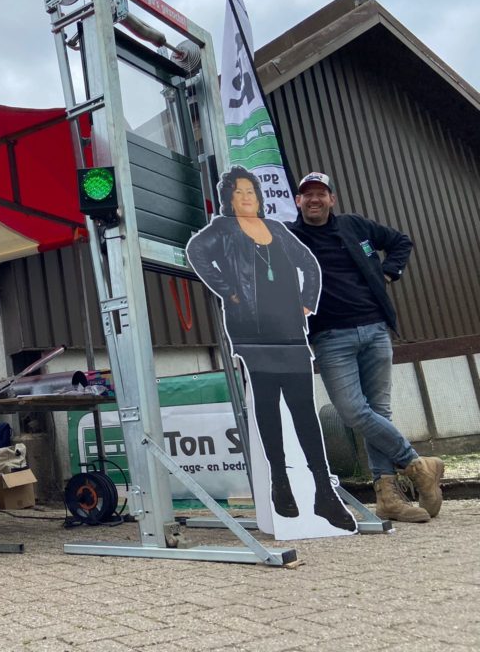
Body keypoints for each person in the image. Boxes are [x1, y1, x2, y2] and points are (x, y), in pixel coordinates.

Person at [187, 166, 355, 531]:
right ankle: (280, 483)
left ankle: (323, 492)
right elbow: (195, 252)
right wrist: (228, 290)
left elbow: (309, 265)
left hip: (290, 331)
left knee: (303, 410)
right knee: (266, 404)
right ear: (229, 198)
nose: (247, 197)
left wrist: (307, 301)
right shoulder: (222, 230)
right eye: (239, 192)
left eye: (251, 191)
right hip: (252, 332)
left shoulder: (277, 229)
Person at [289, 172, 443, 523]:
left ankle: (387, 498)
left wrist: (389, 273)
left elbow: (401, 241)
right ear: (298, 201)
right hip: (329, 337)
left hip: (375, 329)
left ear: (332, 199)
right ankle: (419, 466)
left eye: (320, 194)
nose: (314, 199)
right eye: (307, 195)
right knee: (353, 412)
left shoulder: (354, 225)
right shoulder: (290, 238)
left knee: (379, 412)